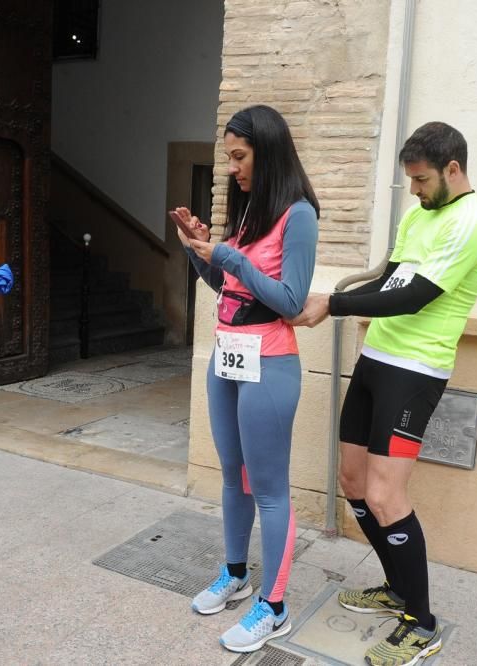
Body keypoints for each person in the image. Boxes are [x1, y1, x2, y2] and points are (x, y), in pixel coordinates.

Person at [289, 122, 477, 666]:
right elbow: (390, 283)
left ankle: (420, 622)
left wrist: (334, 306)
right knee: (352, 481)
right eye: (411, 180)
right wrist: (344, 297)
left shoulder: (472, 223)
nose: (416, 190)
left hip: (416, 371)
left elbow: (416, 298)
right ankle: (396, 588)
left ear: (453, 169)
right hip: (376, 361)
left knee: (385, 496)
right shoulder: (417, 215)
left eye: (424, 179)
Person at [173, 105, 318, 653]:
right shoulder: (252, 211)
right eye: (230, 157)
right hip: (227, 358)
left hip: (270, 363)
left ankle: (274, 607)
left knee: (270, 490)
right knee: (232, 476)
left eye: (240, 156)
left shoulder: (299, 214)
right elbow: (228, 285)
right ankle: (236, 575)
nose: (232, 168)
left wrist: (230, 254)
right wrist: (198, 249)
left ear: (268, 151)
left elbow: (289, 300)